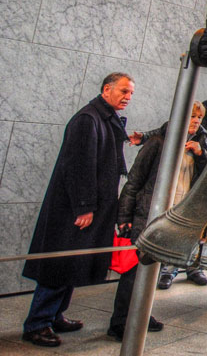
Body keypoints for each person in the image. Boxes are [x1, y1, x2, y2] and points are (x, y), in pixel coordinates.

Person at [21, 73, 134, 348]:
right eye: (123, 91)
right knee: (59, 264)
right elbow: (78, 167)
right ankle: (37, 323)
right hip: (76, 211)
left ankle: (56, 314)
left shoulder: (102, 117)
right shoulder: (88, 119)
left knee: (72, 262)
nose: (128, 97)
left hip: (93, 208)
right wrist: (84, 207)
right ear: (106, 89)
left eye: (130, 93)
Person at [109, 102, 207, 341]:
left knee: (154, 269)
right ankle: (120, 321)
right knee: (134, 271)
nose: (196, 121)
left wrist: (201, 155)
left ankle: (142, 313)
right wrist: (124, 217)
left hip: (176, 215)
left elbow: (204, 180)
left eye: (199, 117)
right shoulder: (157, 143)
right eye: (191, 116)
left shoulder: (198, 147)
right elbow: (134, 181)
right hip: (149, 214)